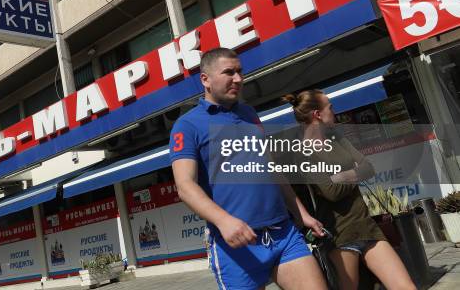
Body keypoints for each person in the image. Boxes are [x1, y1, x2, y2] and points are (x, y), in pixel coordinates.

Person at [170, 47, 327, 290]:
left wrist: (302, 214)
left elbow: (271, 169)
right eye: (229, 72)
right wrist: (224, 221)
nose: (238, 79)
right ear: (205, 79)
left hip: (283, 234)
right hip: (235, 247)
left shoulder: (249, 114)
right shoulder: (187, 125)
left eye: (240, 72)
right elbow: (185, 186)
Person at [282, 90, 416, 290]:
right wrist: (354, 172)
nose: (334, 112)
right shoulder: (303, 154)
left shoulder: (336, 137)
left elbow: (368, 167)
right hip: (340, 236)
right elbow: (331, 192)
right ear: (317, 114)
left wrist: (341, 176)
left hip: (367, 226)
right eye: (330, 107)